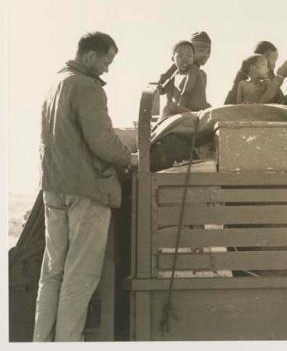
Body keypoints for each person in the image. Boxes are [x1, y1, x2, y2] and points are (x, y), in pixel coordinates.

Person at [34, 32, 138, 342]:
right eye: (107, 61)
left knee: (52, 274)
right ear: (90, 56)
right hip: (86, 191)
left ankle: (42, 342)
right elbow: (102, 142)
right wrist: (129, 157)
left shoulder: (56, 82)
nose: (107, 68)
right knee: (80, 275)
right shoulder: (87, 87)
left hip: (54, 188)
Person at [158, 32, 211, 117]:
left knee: (168, 108)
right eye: (201, 50)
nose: (205, 55)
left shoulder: (195, 70)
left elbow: (187, 91)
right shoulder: (178, 71)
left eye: (208, 52)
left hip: (190, 110)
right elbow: (169, 76)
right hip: (187, 109)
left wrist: (179, 108)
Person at [224, 40, 280, 104]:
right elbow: (230, 103)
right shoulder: (243, 76)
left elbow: (280, 99)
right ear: (264, 56)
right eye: (273, 61)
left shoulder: (269, 79)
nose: (273, 66)